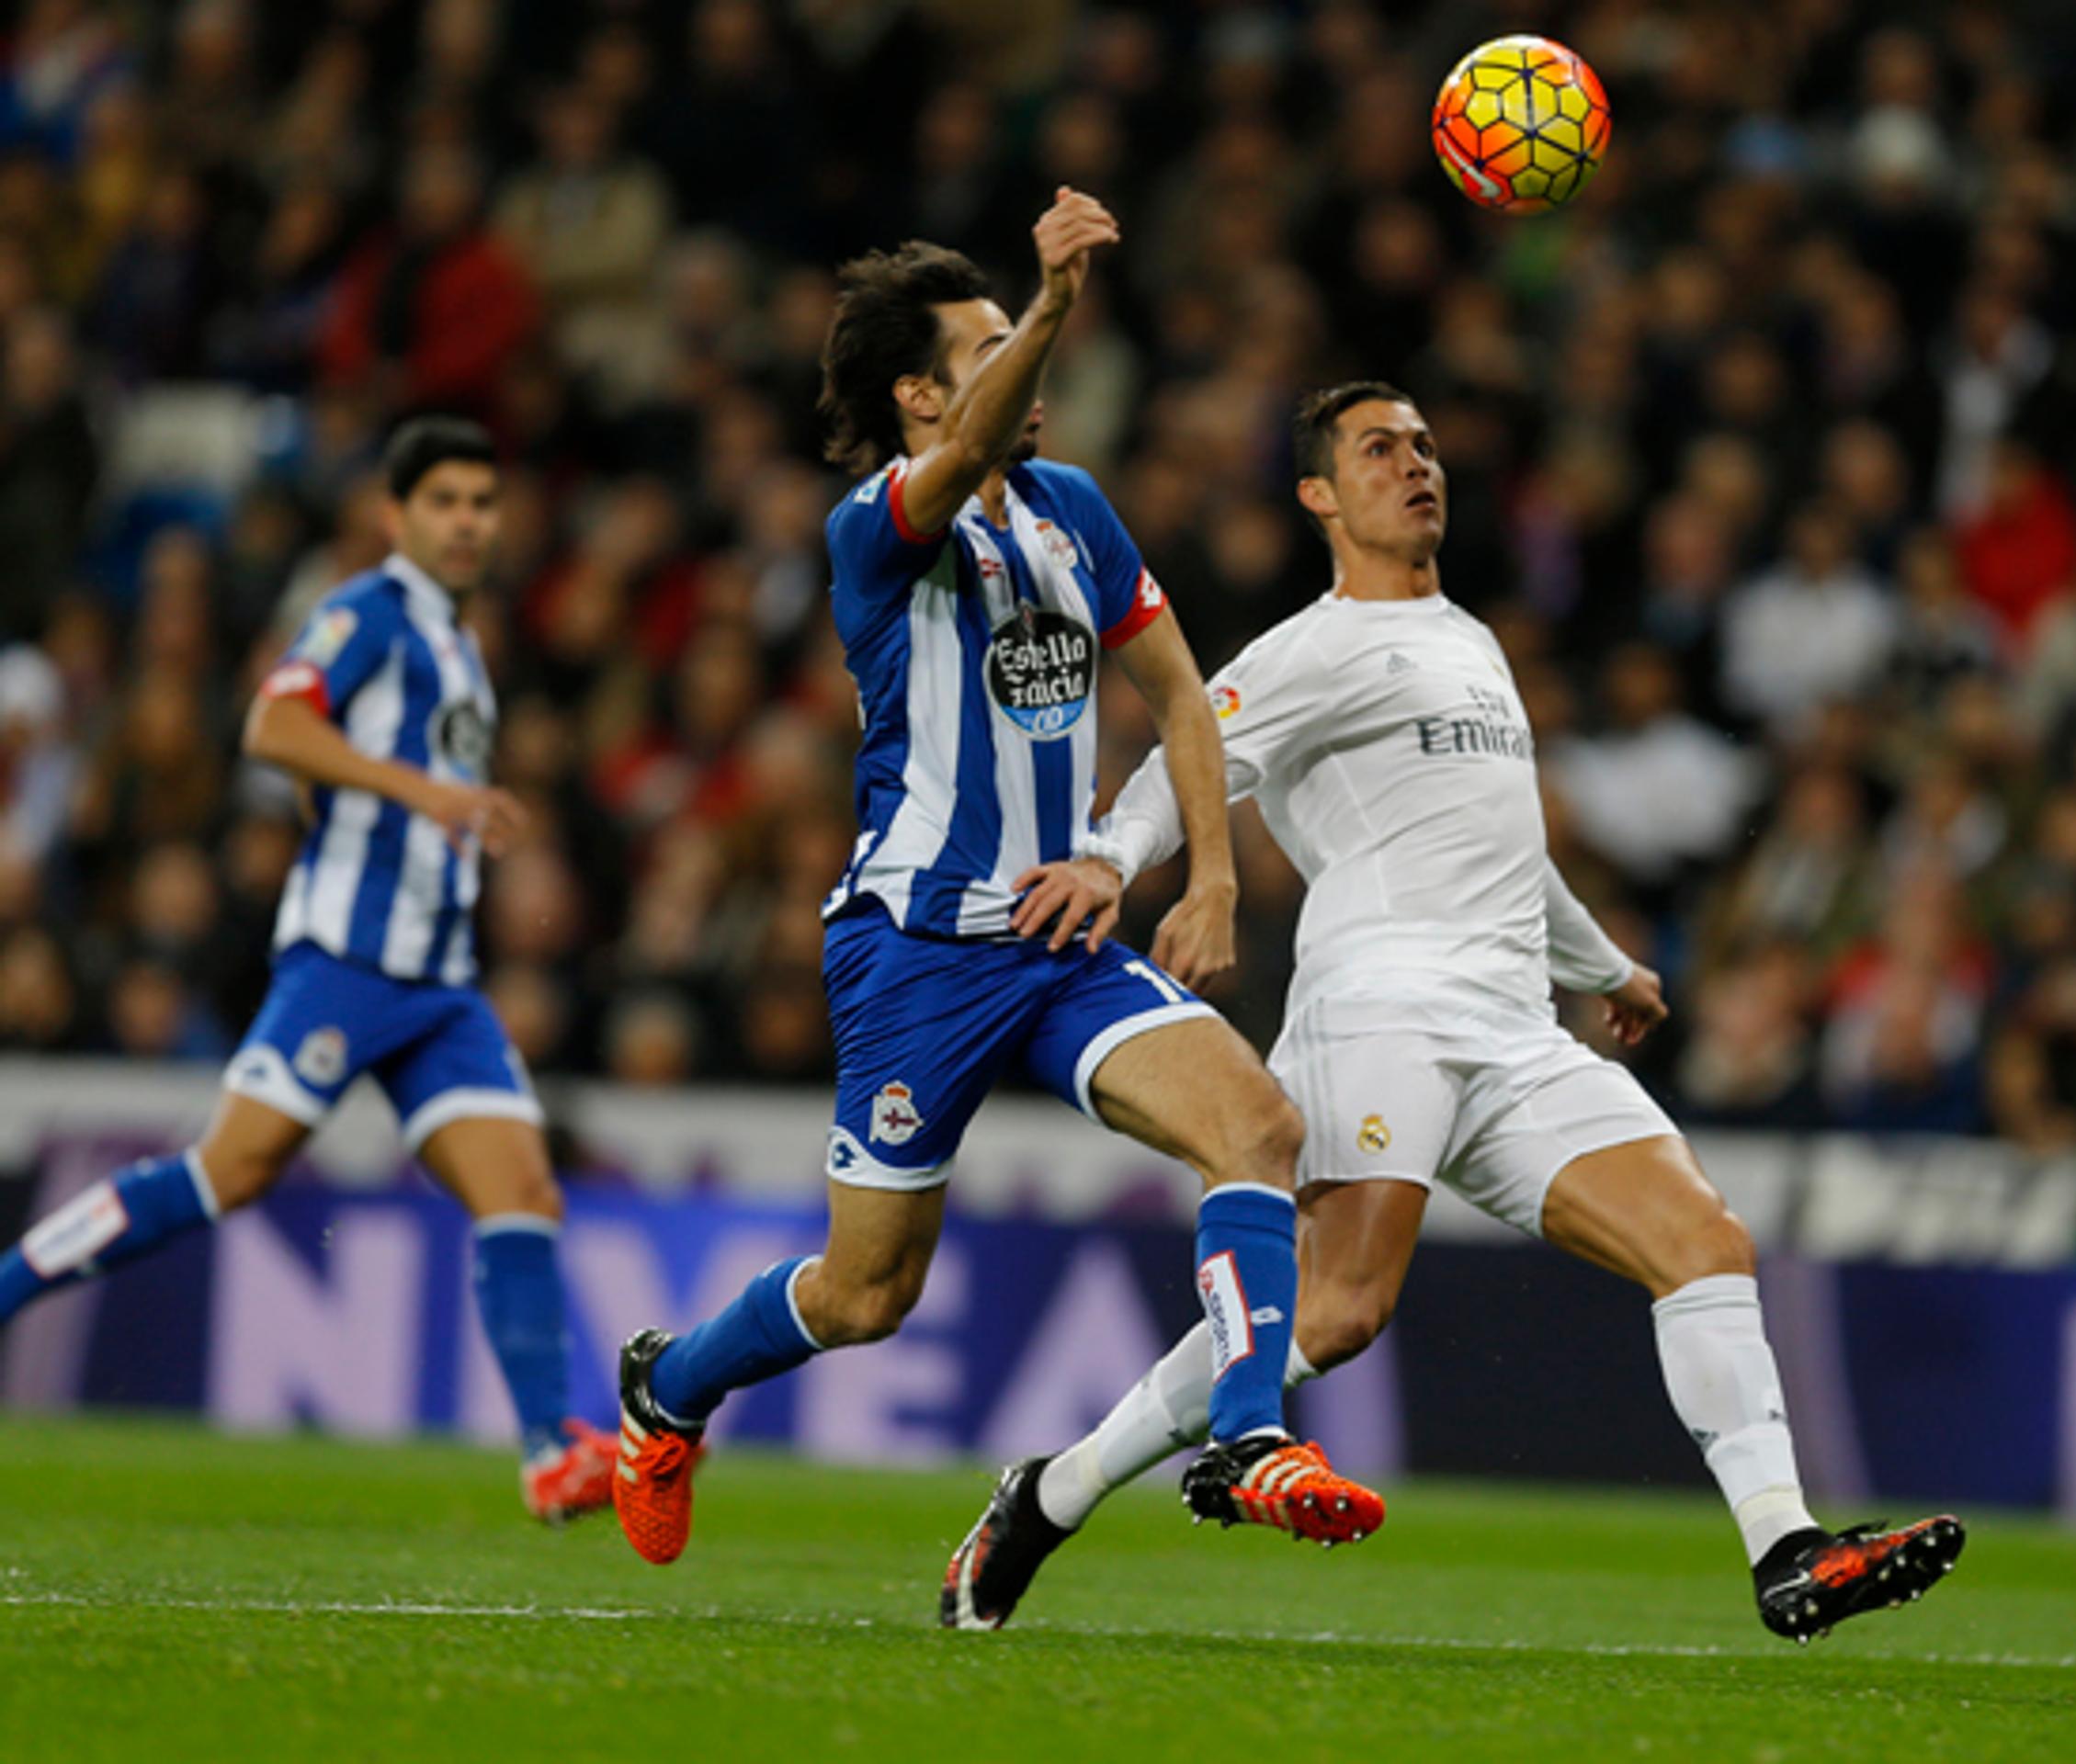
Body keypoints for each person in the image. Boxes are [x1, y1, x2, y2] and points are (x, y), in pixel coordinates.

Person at [940, 384, 1964, 1643]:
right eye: (1379, 451)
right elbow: (1195, 752)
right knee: (1336, 1314)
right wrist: (1109, 859)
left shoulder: (1472, 639)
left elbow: (1503, 847)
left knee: (1703, 1242)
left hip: (1514, 1025)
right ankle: (1050, 1496)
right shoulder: (1313, 647)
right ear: (1318, 493)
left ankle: (1785, 1552)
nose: (1414, 467)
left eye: (1423, 447)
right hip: (1379, 1008)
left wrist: (1598, 965)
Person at [608, 191, 1383, 1569]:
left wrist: (1206, 877)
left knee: (1258, 1131)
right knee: (864, 1297)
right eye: (986, 350)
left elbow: (1182, 697)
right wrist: (1055, 303)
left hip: (1062, 939)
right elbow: (965, 446)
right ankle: (668, 1387)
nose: (1029, 371)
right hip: (915, 951)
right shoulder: (874, 528)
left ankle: (1250, 1438)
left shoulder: (1076, 511)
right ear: (918, 392)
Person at [0, 417, 617, 1525]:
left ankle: (544, 1452)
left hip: (441, 984)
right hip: (350, 961)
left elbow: (317, 773)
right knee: (227, 1174)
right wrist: (416, 793)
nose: (469, 521)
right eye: (445, 502)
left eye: (484, 502)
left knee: (523, 1189)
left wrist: (398, 807)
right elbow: (275, 725)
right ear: (395, 516)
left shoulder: (461, 645)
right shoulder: (364, 612)